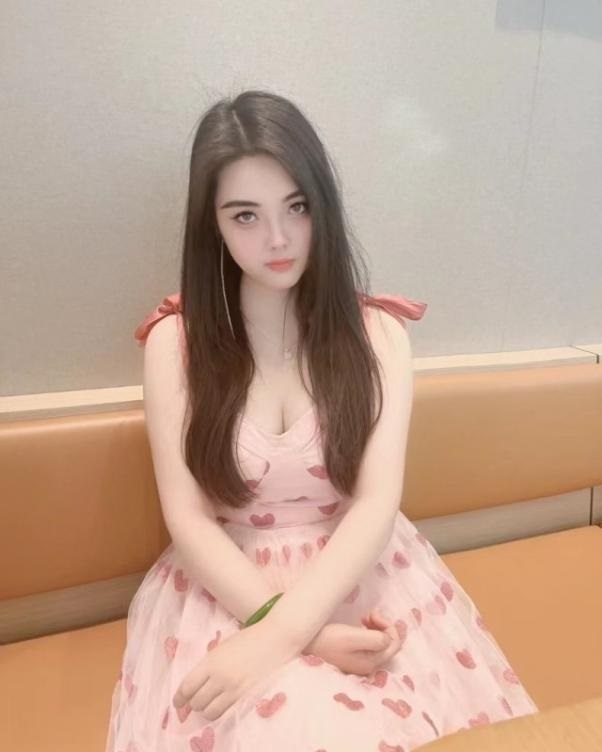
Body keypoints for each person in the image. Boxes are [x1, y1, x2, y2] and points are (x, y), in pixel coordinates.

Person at [105, 90, 539, 752]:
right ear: (211, 225)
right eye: (245, 215)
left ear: (323, 206)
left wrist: (282, 637)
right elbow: (187, 517)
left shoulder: (379, 334)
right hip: (228, 584)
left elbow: (376, 501)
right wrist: (290, 632)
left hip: (362, 570)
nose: (277, 239)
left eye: (297, 206)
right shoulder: (177, 343)